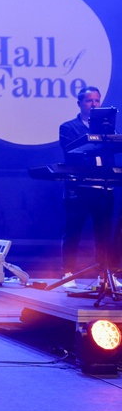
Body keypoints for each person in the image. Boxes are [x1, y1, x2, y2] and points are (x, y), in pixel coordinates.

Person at [59, 86, 115, 286]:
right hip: (79, 188)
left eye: (97, 101)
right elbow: (73, 151)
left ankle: (105, 275)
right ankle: (68, 273)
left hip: (103, 188)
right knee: (73, 231)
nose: (94, 104)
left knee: (104, 234)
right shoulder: (68, 127)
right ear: (80, 104)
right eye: (89, 101)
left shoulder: (108, 129)